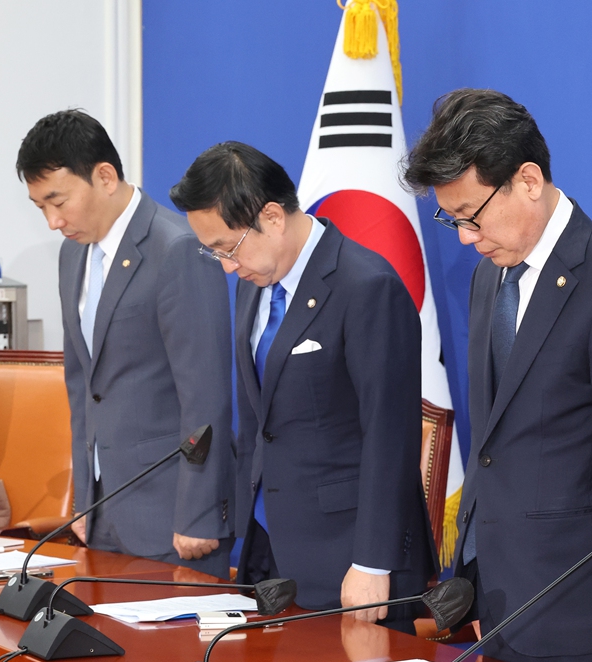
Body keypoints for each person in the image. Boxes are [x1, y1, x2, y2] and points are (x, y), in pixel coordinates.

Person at [402, 89, 592, 662]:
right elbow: (495, 441)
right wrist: (469, 572)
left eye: (472, 214)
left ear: (528, 179)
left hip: (579, 607)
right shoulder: (486, 275)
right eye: (452, 220)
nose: (465, 237)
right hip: (499, 596)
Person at [169, 141, 435, 630]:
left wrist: (373, 564)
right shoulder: (255, 283)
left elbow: (390, 436)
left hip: (350, 555)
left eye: (228, 247)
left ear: (271, 216)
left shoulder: (366, 286)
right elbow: (259, 422)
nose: (227, 267)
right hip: (270, 551)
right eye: (213, 254)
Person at [17, 110, 234, 578]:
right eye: (40, 208)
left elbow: (207, 393)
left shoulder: (177, 247)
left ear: (105, 176)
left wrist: (198, 510)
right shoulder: (71, 254)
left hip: (171, 517)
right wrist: (82, 502)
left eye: (58, 201)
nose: (53, 221)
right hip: (101, 514)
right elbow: (82, 386)